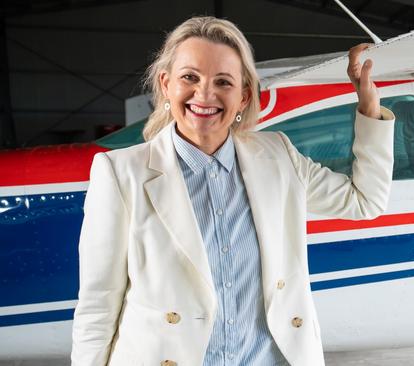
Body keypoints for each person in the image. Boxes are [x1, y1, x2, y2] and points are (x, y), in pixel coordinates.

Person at [71, 16, 394, 366]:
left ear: (243, 97)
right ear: (166, 85)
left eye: (223, 81)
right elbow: (97, 307)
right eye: (189, 78)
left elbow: (365, 201)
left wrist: (369, 108)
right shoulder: (120, 174)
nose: (204, 94)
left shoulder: (278, 156)